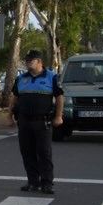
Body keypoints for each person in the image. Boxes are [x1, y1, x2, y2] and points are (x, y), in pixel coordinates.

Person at [10, 49, 64, 195]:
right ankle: (33, 182)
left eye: (30, 60)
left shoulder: (52, 77)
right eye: (26, 60)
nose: (27, 63)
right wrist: (10, 115)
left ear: (39, 62)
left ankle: (47, 183)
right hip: (24, 121)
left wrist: (58, 116)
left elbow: (59, 97)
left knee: (44, 153)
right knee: (27, 152)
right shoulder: (21, 78)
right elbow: (14, 97)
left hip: (42, 121)